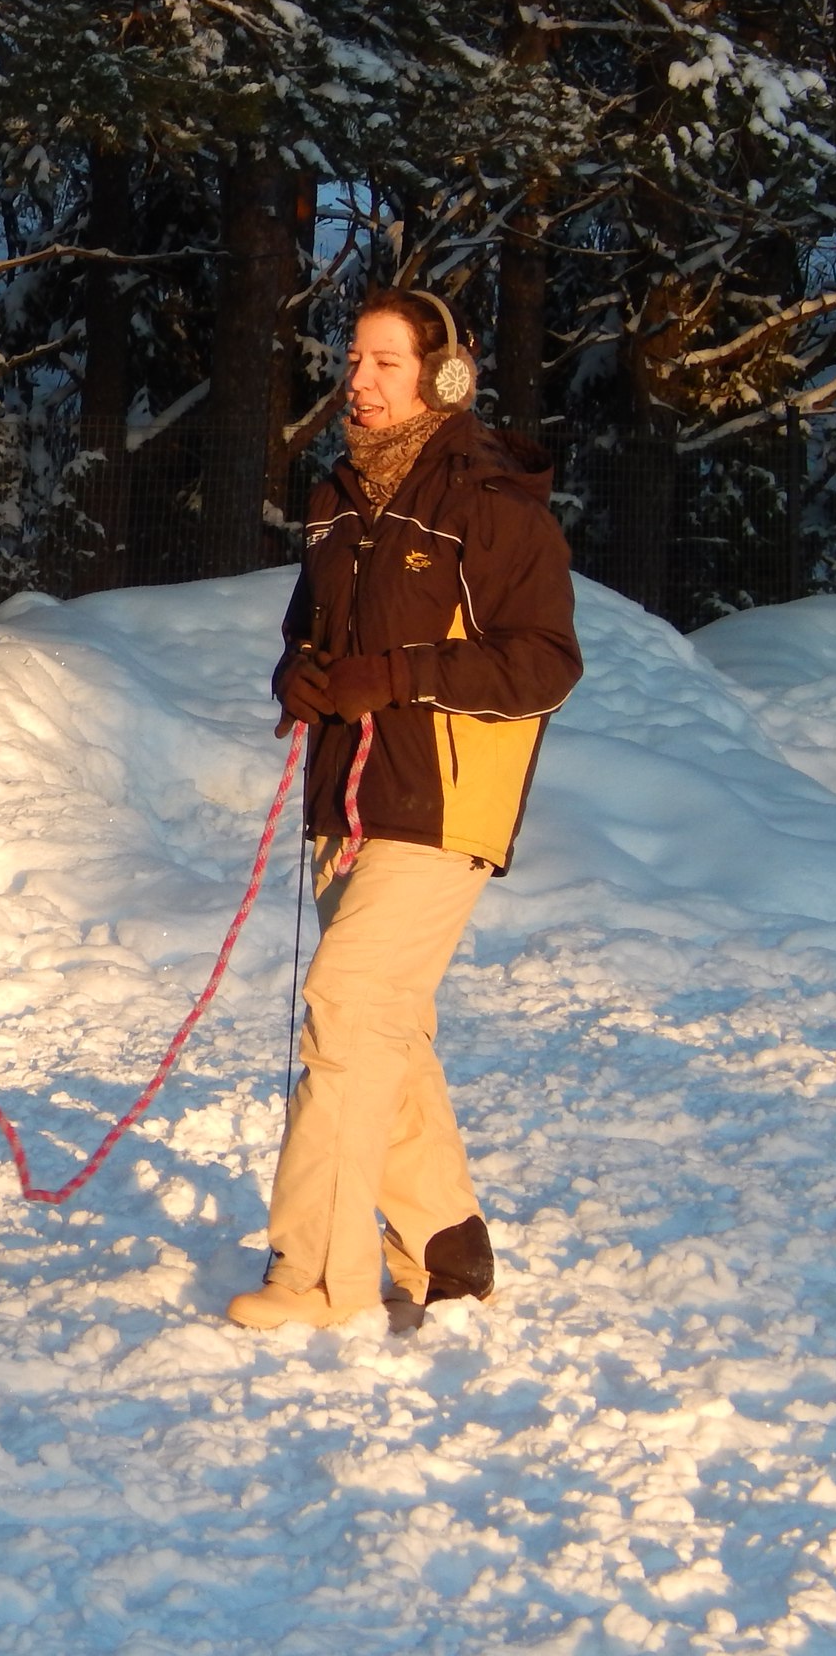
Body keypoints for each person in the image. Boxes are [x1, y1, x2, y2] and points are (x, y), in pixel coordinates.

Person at [228, 288, 582, 1332]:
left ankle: (317, 1278)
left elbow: (543, 663)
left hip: (443, 802)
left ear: (443, 377)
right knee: (384, 1027)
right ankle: (444, 1248)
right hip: (346, 804)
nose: (359, 380)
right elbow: (315, 635)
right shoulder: (335, 502)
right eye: (351, 359)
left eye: (385, 362)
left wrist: (391, 675)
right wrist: (299, 673)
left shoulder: (492, 503)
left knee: (342, 1010)